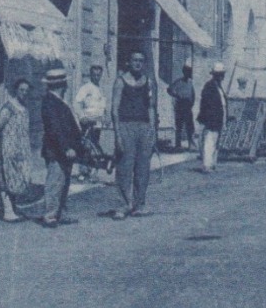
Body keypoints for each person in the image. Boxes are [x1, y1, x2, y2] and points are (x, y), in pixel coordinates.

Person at [109, 51, 157, 218]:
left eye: (141, 61)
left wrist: (152, 131)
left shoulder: (148, 81)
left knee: (143, 167)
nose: (138, 63)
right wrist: (117, 135)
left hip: (143, 127)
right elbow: (114, 110)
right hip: (125, 125)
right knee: (124, 166)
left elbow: (151, 107)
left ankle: (139, 204)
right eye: (135, 60)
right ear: (129, 62)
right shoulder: (120, 81)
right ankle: (123, 205)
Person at [36, 67, 81, 227]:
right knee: (55, 182)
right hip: (56, 150)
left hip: (66, 149)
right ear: (60, 84)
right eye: (64, 82)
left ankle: (60, 213)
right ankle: (50, 216)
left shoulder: (59, 101)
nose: (66, 85)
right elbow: (54, 129)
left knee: (64, 182)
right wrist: (66, 148)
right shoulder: (50, 102)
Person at [0, 77, 35, 222]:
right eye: (21, 90)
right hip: (9, 147)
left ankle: (14, 207)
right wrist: (8, 141)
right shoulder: (8, 107)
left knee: (20, 177)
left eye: (26, 91)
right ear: (16, 90)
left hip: (22, 148)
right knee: (7, 177)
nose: (24, 93)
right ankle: (7, 210)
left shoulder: (25, 108)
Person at [73, 64, 109, 181]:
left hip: (97, 124)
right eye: (94, 74)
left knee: (94, 148)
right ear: (90, 75)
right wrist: (82, 116)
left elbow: (103, 107)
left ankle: (91, 171)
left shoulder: (100, 89)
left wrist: (106, 117)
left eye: (99, 75)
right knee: (86, 147)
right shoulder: (86, 88)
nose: (96, 77)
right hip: (88, 123)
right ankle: (82, 173)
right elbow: (76, 103)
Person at [197, 63, 228, 172]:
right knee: (209, 141)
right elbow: (206, 104)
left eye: (222, 74)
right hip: (211, 119)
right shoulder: (209, 86)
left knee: (216, 142)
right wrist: (207, 118)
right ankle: (207, 165)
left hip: (218, 118)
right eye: (220, 74)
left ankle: (212, 164)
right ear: (215, 75)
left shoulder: (218, 87)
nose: (222, 77)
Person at [168, 62, 197, 151]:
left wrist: (191, 103)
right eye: (187, 72)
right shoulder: (178, 82)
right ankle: (178, 145)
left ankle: (191, 145)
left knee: (190, 126)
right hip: (180, 105)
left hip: (188, 106)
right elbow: (169, 89)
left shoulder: (190, 83)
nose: (188, 74)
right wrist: (176, 95)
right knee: (179, 126)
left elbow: (193, 94)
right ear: (184, 72)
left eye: (190, 72)